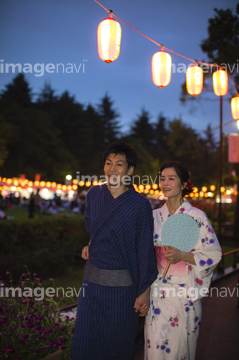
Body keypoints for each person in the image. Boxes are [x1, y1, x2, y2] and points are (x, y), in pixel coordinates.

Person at [71, 141, 158, 360]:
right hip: (91, 285)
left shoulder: (140, 204)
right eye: (108, 163)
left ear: (130, 170)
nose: (112, 169)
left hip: (121, 289)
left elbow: (144, 248)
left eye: (119, 164)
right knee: (85, 341)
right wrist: (90, 244)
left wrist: (144, 290)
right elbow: (95, 229)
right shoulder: (94, 194)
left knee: (116, 345)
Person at [145, 161, 222, 360]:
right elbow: (142, 255)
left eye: (172, 178)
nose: (165, 183)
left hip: (184, 296)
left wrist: (183, 256)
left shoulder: (196, 217)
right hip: (156, 294)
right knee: (154, 350)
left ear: (184, 184)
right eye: (162, 178)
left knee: (180, 350)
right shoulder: (152, 217)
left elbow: (213, 254)